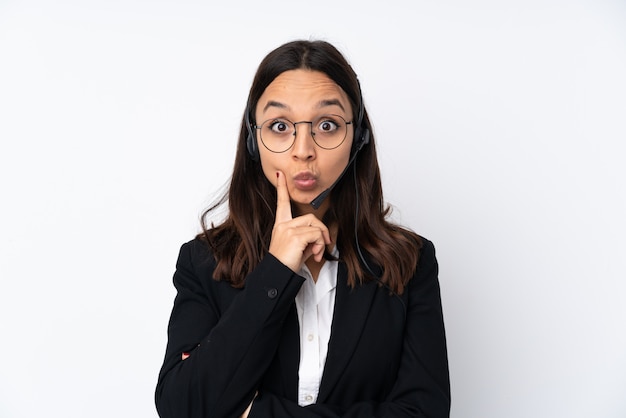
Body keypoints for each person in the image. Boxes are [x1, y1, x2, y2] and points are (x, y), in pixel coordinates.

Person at [155, 39, 450, 418]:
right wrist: (275, 272)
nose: (303, 149)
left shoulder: (410, 261)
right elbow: (182, 407)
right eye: (280, 126)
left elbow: (424, 412)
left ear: (357, 137)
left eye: (327, 125)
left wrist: (256, 413)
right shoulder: (203, 262)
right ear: (252, 139)